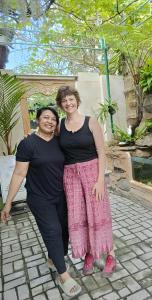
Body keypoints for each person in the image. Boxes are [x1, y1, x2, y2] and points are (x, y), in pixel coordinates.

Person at [1, 107, 81, 297]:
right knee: (52, 231)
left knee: (64, 230)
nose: (50, 121)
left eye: (53, 119)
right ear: (37, 120)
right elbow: (19, 173)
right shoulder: (28, 144)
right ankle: (63, 276)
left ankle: (54, 259)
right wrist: (8, 202)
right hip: (39, 198)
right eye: (45, 117)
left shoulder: (58, 141)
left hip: (61, 196)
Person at [56, 86, 116, 277]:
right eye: (64, 100)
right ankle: (89, 253)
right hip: (71, 177)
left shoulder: (91, 122)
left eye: (71, 99)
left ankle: (110, 254)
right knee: (79, 217)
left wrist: (100, 181)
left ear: (77, 100)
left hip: (92, 174)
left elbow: (101, 152)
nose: (68, 103)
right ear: (60, 104)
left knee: (99, 214)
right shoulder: (59, 126)